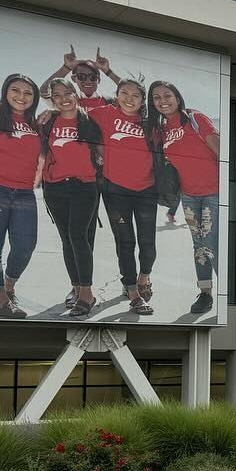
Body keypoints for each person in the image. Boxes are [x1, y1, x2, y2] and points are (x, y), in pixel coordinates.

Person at [87, 67, 160, 315]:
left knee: (148, 244)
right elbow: (70, 108)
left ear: (143, 100)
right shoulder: (104, 114)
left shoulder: (151, 122)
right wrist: (50, 113)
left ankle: (144, 278)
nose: (129, 99)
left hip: (146, 190)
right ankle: (133, 292)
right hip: (115, 190)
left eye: (135, 95)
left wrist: (109, 71)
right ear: (116, 95)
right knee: (125, 242)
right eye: (123, 93)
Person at [0, 73, 43, 318]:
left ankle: (9, 286)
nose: (21, 96)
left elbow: (56, 94)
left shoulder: (37, 123)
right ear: (6, 91)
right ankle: (0, 300)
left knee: (26, 244)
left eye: (28, 93)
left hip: (24, 191)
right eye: (15, 90)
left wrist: (63, 69)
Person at [151, 80, 220, 314]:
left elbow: (222, 152)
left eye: (167, 95)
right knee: (199, 245)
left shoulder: (194, 118)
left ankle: (229, 295)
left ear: (178, 98)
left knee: (213, 243)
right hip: (189, 195)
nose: (163, 100)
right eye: (157, 97)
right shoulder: (161, 130)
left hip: (214, 192)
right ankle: (205, 293)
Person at [36, 79, 103, 318]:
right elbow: (41, 90)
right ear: (52, 99)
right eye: (57, 95)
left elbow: (103, 154)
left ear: (76, 94)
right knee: (67, 240)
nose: (63, 98)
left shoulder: (90, 120)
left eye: (68, 93)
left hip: (84, 185)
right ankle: (76, 287)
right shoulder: (49, 121)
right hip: (55, 188)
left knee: (78, 236)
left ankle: (87, 294)